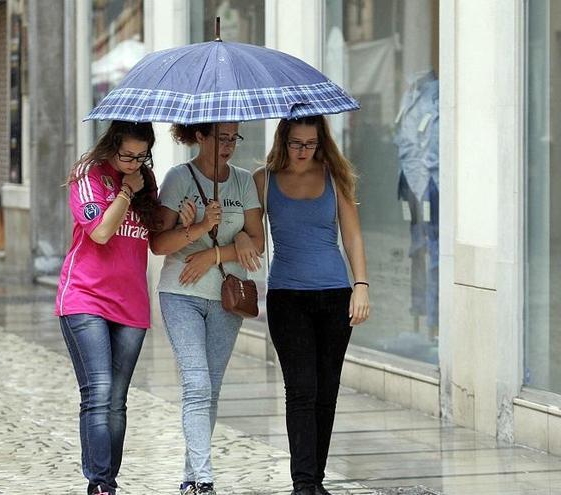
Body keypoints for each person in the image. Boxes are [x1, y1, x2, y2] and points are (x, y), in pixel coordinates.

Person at [253, 115, 370, 495]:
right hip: (287, 298)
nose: (303, 151)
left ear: (321, 143)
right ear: (282, 140)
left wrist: (361, 286)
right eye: (296, 143)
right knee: (301, 388)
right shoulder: (263, 180)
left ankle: (315, 480)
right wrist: (234, 236)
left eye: (311, 144)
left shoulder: (335, 177)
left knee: (326, 389)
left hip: (335, 295)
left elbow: (352, 237)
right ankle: (303, 483)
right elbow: (251, 235)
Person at [151, 122, 264, 495]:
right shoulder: (177, 178)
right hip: (180, 293)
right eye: (221, 137)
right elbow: (159, 244)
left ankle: (190, 478)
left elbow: (257, 243)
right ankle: (204, 478)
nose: (229, 145)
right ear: (200, 137)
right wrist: (201, 227)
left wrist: (215, 252)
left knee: (210, 389)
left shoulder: (244, 181)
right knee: (197, 383)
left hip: (227, 296)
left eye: (234, 138)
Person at [55, 120, 161, 495]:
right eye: (127, 155)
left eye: (142, 156)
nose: (134, 163)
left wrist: (192, 222)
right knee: (98, 392)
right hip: (86, 298)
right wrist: (125, 194)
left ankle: (108, 480)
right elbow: (99, 232)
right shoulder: (88, 174)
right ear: (111, 145)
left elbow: (155, 242)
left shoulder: (145, 181)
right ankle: (100, 485)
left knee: (117, 401)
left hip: (131, 304)